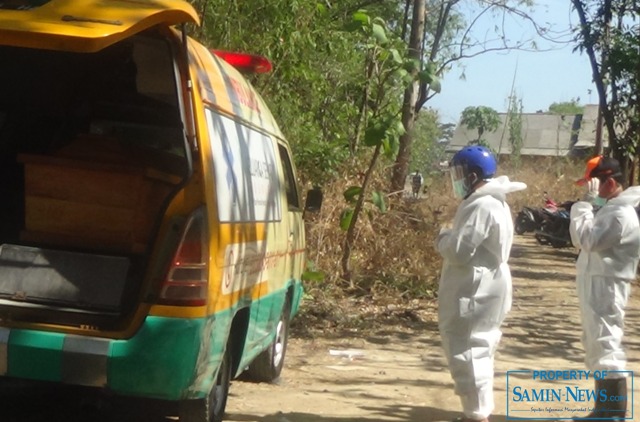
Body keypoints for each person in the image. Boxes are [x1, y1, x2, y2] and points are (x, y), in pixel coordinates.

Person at [436, 145, 526, 422]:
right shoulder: (493, 202)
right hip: (485, 286)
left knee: (469, 351)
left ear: (472, 176)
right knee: (479, 350)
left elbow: (459, 251)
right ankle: (478, 412)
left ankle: (476, 416)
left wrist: (442, 237)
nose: (457, 180)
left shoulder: (481, 205)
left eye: (459, 174)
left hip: (476, 290)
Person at [569, 155, 640, 421]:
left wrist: (584, 206)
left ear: (610, 182)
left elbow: (586, 239)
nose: (591, 191)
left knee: (606, 343)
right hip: (599, 282)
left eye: (594, 185)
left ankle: (611, 414)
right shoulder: (612, 209)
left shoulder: (620, 214)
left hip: (607, 285)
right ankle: (604, 410)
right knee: (596, 343)